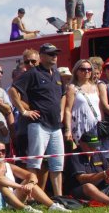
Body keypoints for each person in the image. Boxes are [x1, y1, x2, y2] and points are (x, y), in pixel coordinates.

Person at [9, 43, 67, 196]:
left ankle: (59, 198)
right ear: (42, 57)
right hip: (39, 125)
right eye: (51, 54)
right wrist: (24, 111)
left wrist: (61, 112)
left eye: (55, 54)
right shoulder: (33, 73)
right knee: (34, 163)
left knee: (57, 165)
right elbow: (12, 91)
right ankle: (30, 196)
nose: (54, 56)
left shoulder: (57, 74)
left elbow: (63, 94)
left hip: (56, 126)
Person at [0, 142, 71, 213]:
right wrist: (21, 187)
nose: (0, 154)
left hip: (9, 199)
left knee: (29, 182)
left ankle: (53, 206)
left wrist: (30, 184)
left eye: (3, 151)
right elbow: (0, 179)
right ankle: (24, 208)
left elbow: (31, 175)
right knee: (0, 185)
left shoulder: (9, 166)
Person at [65, 59, 102, 145]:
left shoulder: (95, 87)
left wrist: (102, 123)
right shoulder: (72, 87)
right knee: (83, 151)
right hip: (79, 126)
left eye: (89, 69)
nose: (86, 71)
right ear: (76, 71)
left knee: (96, 151)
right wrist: (68, 130)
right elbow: (68, 110)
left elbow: (99, 107)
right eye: (83, 69)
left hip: (96, 125)